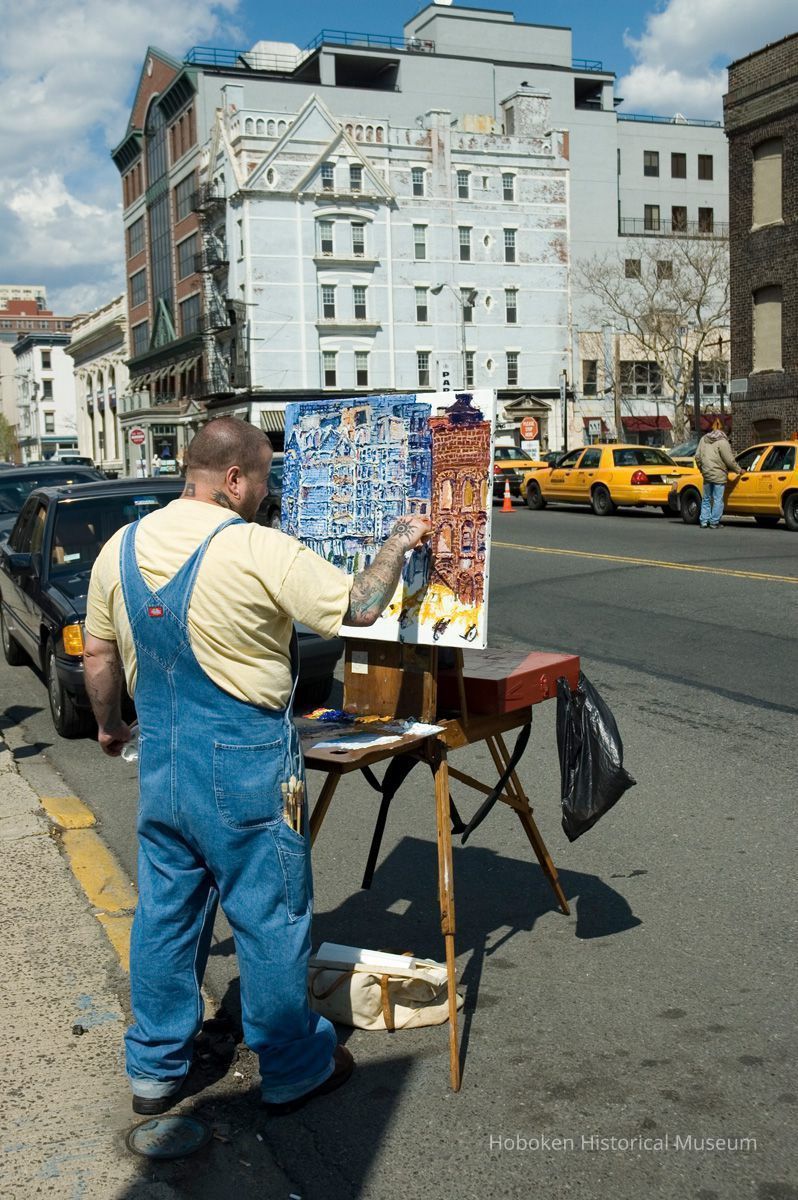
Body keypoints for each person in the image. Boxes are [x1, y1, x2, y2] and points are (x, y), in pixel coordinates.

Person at [82, 417, 430, 1118]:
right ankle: (293, 1066)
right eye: (266, 477)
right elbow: (359, 607)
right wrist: (398, 541)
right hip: (243, 762)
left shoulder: (120, 548)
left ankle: (154, 1068)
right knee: (269, 915)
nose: (269, 493)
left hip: (164, 762)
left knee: (166, 915)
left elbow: (98, 655)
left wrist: (110, 724)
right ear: (234, 478)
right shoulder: (254, 547)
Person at [694, 428, 742, 528]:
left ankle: (704, 521)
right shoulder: (723, 442)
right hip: (719, 474)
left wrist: (701, 469)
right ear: (726, 433)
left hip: (707, 473)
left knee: (706, 498)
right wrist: (739, 470)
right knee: (717, 499)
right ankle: (714, 522)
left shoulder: (704, 439)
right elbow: (729, 460)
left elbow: (697, 456)